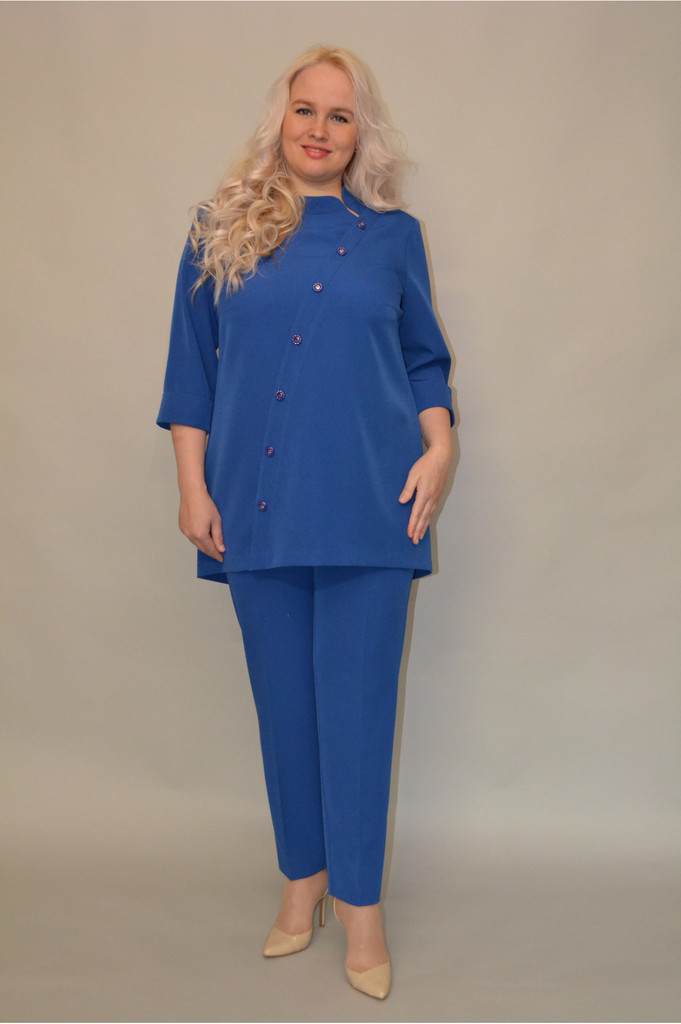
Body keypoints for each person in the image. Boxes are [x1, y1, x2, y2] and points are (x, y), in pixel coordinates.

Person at [157, 45, 454, 1000]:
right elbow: (192, 372)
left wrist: (440, 446)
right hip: (258, 504)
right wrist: (193, 488)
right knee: (285, 710)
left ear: (360, 134)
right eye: (305, 110)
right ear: (279, 120)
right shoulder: (217, 228)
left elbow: (422, 360)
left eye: (339, 114)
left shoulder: (393, 237)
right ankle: (302, 885)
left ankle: (359, 910)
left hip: (374, 505)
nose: (319, 129)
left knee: (357, 717)